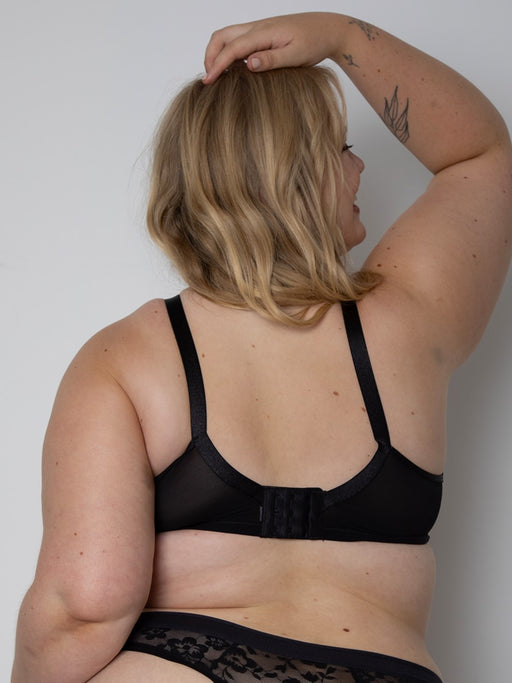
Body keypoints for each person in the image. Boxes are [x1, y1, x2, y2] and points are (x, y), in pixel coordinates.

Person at [11, 11, 512, 683]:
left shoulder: (125, 360)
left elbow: (83, 606)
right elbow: (479, 154)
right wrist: (341, 35)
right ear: (292, 176)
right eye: (340, 149)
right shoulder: (407, 323)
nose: (360, 165)